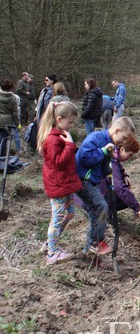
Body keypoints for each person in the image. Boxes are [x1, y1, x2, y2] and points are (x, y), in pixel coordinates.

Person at [75, 116, 136, 256]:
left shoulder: (110, 143)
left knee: (95, 214)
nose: (124, 142)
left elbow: (103, 164)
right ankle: (95, 241)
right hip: (82, 179)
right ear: (117, 130)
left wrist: (107, 172)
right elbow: (84, 157)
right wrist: (103, 152)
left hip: (91, 180)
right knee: (102, 207)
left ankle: (88, 253)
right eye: (124, 137)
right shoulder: (96, 137)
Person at [37, 100, 83, 265]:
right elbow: (58, 162)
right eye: (69, 122)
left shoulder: (59, 136)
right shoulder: (52, 140)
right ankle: (52, 253)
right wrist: (70, 145)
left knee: (69, 214)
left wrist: (70, 146)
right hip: (58, 186)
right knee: (56, 218)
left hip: (64, 184)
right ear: (59, 119)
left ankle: (50, 244)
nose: (71, 125)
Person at [75, 136, 140, 219]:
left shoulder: (113, 153)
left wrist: (124, 175)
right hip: (91, 197)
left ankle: (108, 215)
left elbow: (118, 167)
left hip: (90, 193)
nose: (129, 158)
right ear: (122, 149)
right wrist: (138, 208)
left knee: (125, 200)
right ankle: (105, 218)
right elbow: (119, 188)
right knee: (123, 197)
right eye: (129, 155)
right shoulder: (111, 160)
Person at [0, 79, 20, 153]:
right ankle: (1, 157)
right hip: (7, 122)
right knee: (3, 140)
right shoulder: (13, 98)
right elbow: (15, 113)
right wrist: (18, 124)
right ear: (11, 88)